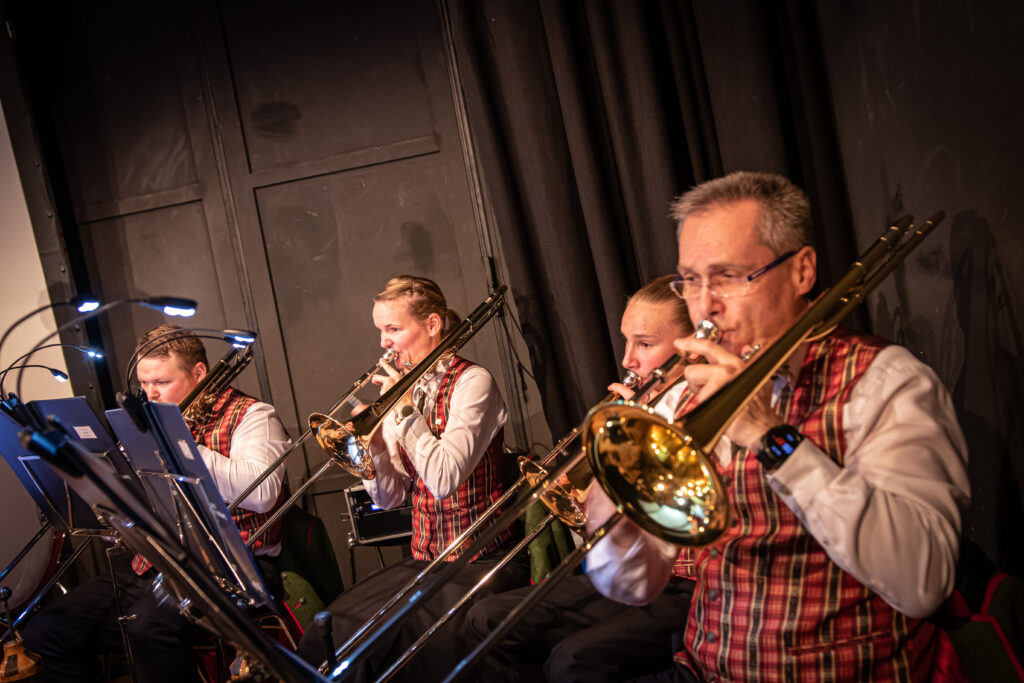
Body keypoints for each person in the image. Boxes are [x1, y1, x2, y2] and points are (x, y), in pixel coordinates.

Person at [585, 171, 971, 682]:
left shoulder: (885, 383)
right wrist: (615, 499)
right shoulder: (688, 398)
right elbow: (635, 586)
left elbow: (923, 581)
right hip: (704, 668)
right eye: (691, 281)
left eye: (726, 277)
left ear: (802, 271)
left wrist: (772, 437)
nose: (705, 305)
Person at [461, 274, 699, 682]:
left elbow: (677, 523)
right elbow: (605, 542)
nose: (627, 360)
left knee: (574, 661)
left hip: (688, 584)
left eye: (644, 344)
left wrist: (638, 437)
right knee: (487, 621)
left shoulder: (706, 409)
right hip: (632, 574)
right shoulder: (643, 407)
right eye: (626, 341)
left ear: (692, 347)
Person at [22, 325, 290, 683]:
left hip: (235, 570)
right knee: (46, 631)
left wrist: (181, 445)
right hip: (154, 565)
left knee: (148, 630)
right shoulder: (144, 422)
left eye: (161, 383)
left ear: (199, 373)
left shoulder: (253, 415)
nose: (150, 395)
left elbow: (262, 492)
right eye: (144, 385)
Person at [297, 275, 528, 681]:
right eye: (380, 331)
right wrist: (375, 451)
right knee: (332, 630)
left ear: (433, 324)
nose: (384, 342)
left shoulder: (473, 383)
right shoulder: (404, 391)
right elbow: (388, 498)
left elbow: (444, 479)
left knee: (390, 645)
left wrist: (403, 415)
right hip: (425, 558)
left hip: (481, 558)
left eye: (393, 329)